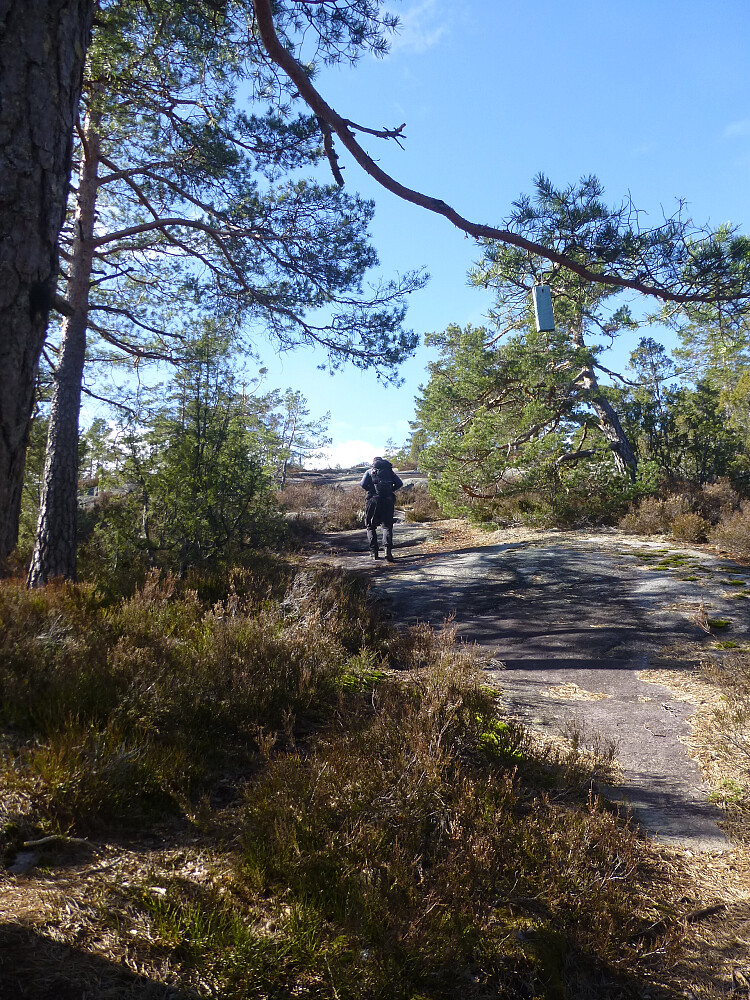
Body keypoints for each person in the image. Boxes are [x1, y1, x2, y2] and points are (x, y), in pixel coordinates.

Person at [360, 456, 403, 561]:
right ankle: (387, 552)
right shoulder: (389, 471)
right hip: (388, 500)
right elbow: (399, 483)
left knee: (370, 526)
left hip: (373, 501)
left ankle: (374, 552)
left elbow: (362, 484)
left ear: (374, 462)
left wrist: (371, 490)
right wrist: (390, 491)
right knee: (387, 526)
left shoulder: (369, 471)